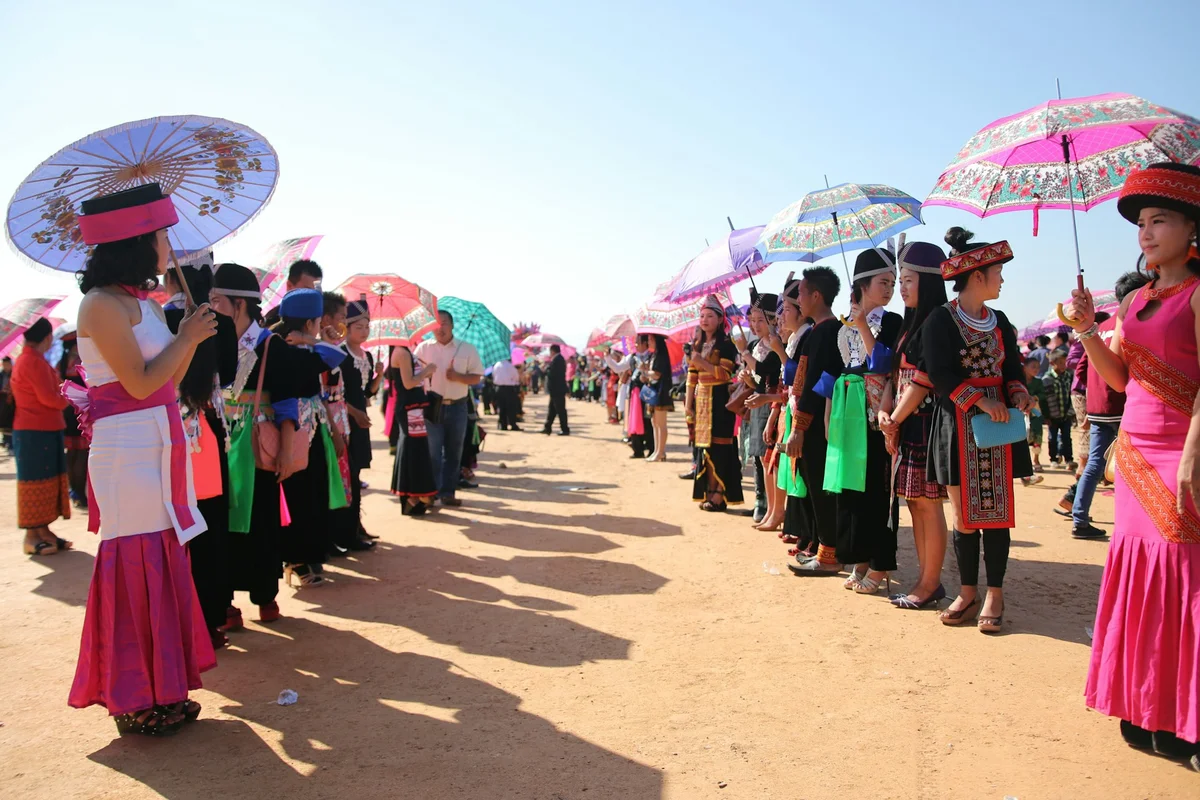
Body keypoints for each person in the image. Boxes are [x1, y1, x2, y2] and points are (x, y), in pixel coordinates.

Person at [1060, 164, 1200, 769]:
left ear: (1193, 227)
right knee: (1140, 577)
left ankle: (1186, 718)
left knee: (1184, 581)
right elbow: (1116, 380)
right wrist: (1090, 327)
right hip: (1136, 453)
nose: (1145, 233)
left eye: (1159, 220)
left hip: (1185, 452)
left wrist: (1195, 450)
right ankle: (1144, 704)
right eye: (1141, 222)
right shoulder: (1136, 299)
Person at [67, 183, 217, 736]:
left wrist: (185, 341)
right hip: (127, 451)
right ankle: (134, 695)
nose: (165, 244)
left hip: (158, 441)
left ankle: (164, 689)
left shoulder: (137, 302)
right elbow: (138, 382)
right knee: (137, 562)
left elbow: (167, 382)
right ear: (134, 240)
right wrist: (188, 338)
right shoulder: (100, 305)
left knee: (162, 555)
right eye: (159, 234)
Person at [924, 227, 1033, 632]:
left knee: (997, 514)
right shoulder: (941, 320)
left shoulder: (999, 320)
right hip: (958, 424)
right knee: (965, 515)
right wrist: (979, 399)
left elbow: (1012, 368)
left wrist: (1017, 392)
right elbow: (939, 373)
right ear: (977, 276)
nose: (1002, 279)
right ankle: (968, 590)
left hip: (998, 426)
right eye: (998, 272)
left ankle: (995, 592)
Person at [817, 248, 903, 594]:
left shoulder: (893, 321)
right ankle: (859, 559)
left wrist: (863, 324)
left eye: (894, 283)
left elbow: (881, 362)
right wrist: (827, 418)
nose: (890, 289)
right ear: (863, 285)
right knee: (851, 490)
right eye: (884, 282)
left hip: (875, 415)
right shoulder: (842, 327)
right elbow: (834, 374)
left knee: (878, 493)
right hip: (845, 413)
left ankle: (881, 566)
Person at [163, 261, 239, 648]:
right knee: (210, 525)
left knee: (176, 526)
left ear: (171, 276)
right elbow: (226, 377)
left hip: (170, 434)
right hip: (209, 430)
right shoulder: (219, 322)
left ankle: (178, 622)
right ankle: (210, 620)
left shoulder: (161, 317)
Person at [878, 241, 951, 609]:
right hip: (905, 422)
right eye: (899, 280)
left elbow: (923, 381)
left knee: (928, 504)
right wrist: (884, 412)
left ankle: (930, 582)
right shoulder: (909, 323)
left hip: (925, 422)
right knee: (914, 503)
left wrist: (894, 419)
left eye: (907, 280)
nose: (901, 287)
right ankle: (926, 579)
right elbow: (896, 375)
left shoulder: (937, 320)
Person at [1064, 273, 1151, 540]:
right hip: (1125, 405)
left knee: (1095, 463)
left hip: (1098, 404)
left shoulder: (1102, 327)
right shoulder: (1135, 320)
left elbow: (1081, 368)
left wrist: (1087, 401)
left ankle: (1079, 515)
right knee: (1129, 466)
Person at [274, 289, 351, 585]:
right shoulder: (288, 349)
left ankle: (308, 557)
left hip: (313, 424)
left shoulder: (303, 347)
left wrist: (311, 339)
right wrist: (312, 340)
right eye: (318, 322)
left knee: (313, 491)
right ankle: (296, 560)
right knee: (299, 493)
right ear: (310, 322)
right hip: (293, 425)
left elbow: (333, 355)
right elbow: (337, 356)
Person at [787, 267, 846, 575]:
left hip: (817, 424)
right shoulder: (825, 330)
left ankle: (828, 554)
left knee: (821, 487)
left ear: (816, 296)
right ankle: (824, 548)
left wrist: (799, 427)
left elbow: (811, 384)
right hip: (820, 420)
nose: (798, 299)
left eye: (800, 293)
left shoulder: (825, 332)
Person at [12, 317, 72, 556]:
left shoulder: (33, 360)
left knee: (46, 480)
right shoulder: (32, 362)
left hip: (41, 429)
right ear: (47, 338)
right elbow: (50, 398)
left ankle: (43, 531)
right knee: (35, 481)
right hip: (35, 431)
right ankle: (31, 535)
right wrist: (67, 397)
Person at [413, 310, 484, 506]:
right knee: (433, 453)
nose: (440, 328)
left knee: (454, 453)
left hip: (457, 407)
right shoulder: (422, 349)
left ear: (452, 325)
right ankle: (431, 493)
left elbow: (476, 377)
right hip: (432, 407)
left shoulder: (466, 349)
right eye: (436, 324)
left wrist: (458, 376)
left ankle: (448, 493)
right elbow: (412, 377)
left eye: (444, 323)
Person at [331, 299, 380, 551]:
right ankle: (344, 532)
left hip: (361, 422)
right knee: (344, 475)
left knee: (356, 474)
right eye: (358, 326)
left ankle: (355, 526)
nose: (364, 331)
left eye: (367, 326)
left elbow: (368, 392)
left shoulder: (368, 356)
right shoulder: (338, 354)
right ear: (346, 328)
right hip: (342, 421)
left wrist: (379, 375)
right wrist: (353, 412)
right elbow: (333, 393)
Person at [686, 297, 742, 510]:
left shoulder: (727, 345)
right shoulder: (697, 344)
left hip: (719, 400)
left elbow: (725, 374)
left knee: (720, 448)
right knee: (704, 448)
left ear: (720, 319)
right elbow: (692, 376)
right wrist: (687, 404)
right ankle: (709, 491)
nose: (705, 320)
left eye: (710, 316)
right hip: (701, 402)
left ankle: (719, 494)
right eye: (702, 316)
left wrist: (702, 363)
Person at [741, 294, 783, 527]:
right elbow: (758, 380)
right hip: (759, 403)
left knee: (770, 458)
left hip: (773, 404)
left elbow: (769, 371)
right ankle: (764, 503)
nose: (755, 326)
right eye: (752, 320)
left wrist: (745, 355)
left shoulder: (778, 343)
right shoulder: (757, 345)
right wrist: (747, 379)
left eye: (760, 320)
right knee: (759, 456)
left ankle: (774, 507)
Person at [59, 340, 90, 510]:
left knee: (71, 453)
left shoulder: (62, 362)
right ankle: (80, 494)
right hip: (81, 408)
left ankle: (74, 492)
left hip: (66, 410)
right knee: (81, 454)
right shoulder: (81, 360)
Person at [262, 259, 322, 328]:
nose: (313, 297)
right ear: (289, 286)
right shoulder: (274, 320)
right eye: (307, 291)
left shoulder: (316, 318)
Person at [1043, 350, 1076, 469]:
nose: (1064, 365)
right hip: (1052, 416)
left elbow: (1070, 394)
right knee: (1052, 438)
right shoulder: (1047, 379)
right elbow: (1045, 400)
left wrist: (1071, 412)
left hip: (1066, 414)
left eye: (1065, 362)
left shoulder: (1068, 376)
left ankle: (1069, 459)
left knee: (1067, 437)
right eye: (1060, 363)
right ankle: (1053, 459)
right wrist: (1046, 416)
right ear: (1052, 363)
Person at [645, 334, 674, 462]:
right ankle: (657, 451)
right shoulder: (654, 355)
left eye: (651, 339)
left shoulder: (661, 356)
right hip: (654, 391)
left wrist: (646, 372)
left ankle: (661, 452)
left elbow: (657, 374)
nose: (649, 342)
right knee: (655, 422)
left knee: (661, 423)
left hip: (661, 392)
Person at [1021, 357, 1047, 481]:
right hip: (1021, 413)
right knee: (1023, 437)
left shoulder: (1038, 382)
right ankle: (1025, 466)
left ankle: (1036, 460)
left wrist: (1033, 398)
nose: (1036, 369)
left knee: (1037, 435)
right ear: (1024, 367)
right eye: (1033, 367)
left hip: (1035, 412)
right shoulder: (1019, 382)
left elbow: (1043, 394)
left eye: (1038, 367)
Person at [543, 344, 570, 435]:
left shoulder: (558, 360)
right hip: (555, 389)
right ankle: (547, 427)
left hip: (557, 389)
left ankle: (565, 429)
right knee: (552, 409)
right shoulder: (557, 360)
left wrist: (547, 369)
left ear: (552, 351)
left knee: (560, 410)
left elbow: (553, 374)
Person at [493, 356, 522, 431]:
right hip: (509, 389)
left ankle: (503, 425)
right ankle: (513, 424)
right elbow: (516, 377)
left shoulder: (496, 365)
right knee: (511, 407)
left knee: (502, 407)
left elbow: (494, 376)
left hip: (499, 388)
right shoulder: (510, 366)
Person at [0, 356, 14, 452]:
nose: (6, 366)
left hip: (12, 400)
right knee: (3, 420)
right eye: (4, 364)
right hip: (2, 399)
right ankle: (5, 440)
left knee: (10, 421)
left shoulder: (14, 374)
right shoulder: (1, 375)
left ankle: (11, 442)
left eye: (7, 364)